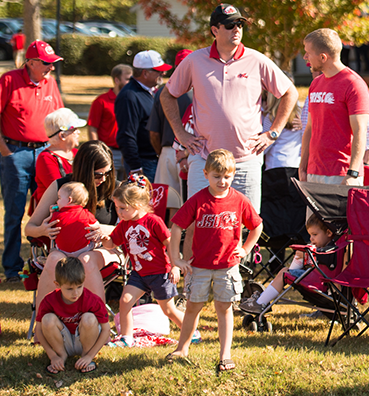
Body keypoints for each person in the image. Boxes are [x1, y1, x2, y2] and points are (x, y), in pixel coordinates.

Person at [163, 4, 297, 210]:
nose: (236, 29)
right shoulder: (194, 60)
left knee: (247, 224)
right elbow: (167, 95)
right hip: (204, 159)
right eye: (229, 25)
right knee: (199, 221)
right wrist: (181, 134)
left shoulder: (257, 60)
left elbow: (290, 93)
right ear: (214, 31)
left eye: (240, 24)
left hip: (246, 159)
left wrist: (273, 133)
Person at [167, 149, 263, 372]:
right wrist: (176, 258)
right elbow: (176, 226)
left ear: (233, 174)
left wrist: (246, 248)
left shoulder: (239, 200)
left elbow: (256, 225)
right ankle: (182, 348)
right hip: (198, 266)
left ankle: (225, 354)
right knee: (192, 307)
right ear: (206, 173)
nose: (222, 181)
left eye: (227, 176)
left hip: (227, 267)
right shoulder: (198, 199)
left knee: (224, 308)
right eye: (216, 176)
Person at [0, 40, 64, 280]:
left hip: (45, 153)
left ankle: (48, 263)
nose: (51, 68)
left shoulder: (50, 83)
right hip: (16, 154)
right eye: (47, 63)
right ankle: (11, 267)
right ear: (30, 62)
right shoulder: (9, 80)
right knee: (14, 212)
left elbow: (60, 118)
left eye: (53, 63)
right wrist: (5, 150)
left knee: (51, 210)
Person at [25, 141, 119, 307]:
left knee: (87, 259)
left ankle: (99, 322)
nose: (103, 179)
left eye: (108, 172)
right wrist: (43, 230)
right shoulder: (62, 188)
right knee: (54, 258)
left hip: (106, 248)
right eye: (98, 175)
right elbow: (29, 228)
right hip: (64, 251)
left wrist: (105, 229)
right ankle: (43, 324)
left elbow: (134, 227)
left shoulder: (115, 189)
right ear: (85, 170)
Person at [102, 180, 185, 347]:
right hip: (139, 274)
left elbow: (169, 243)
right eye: (117, 208)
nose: (119, 212)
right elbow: (112, 244)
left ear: (138, 205)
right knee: (125, 301)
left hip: (160, 273)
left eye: (123, 208)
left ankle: (191, 331)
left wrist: (175, 265)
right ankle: (126, 338)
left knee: (168, 310)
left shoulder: (153, 221)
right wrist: (105, 239)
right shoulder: (124, 225)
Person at [299, 28, 369, 186]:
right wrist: (303, 166)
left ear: (323, 57)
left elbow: (360, 131)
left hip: (342, 174)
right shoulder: (316, 84)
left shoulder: (353, 84)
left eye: (308, 53)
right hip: (314, 172)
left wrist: (352, 173)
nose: (305, 57)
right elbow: (309, 128)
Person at [238, 214, 338, 314]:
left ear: (328, 233)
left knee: (284, 273)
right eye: (310, 235)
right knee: (288, 270)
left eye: (315, 235)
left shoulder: (330, 250)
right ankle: (262, 300)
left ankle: (260, 302)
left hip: (320, 283)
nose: (311, 238)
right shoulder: (336, 245)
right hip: (319, 280)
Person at [36, 257, 110, 375]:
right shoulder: (49, 300)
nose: (75, 293)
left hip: (86, 342)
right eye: (69, 289)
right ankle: (61, 356)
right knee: (47, 319)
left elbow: (106, 330)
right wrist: (53, 356)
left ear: (84, 281)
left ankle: (85, 357)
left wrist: (90, 356)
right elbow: (38, 330)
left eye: (79, 286)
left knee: (89, 318)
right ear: (57, 284)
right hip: (63, 343)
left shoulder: (92, 300)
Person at [116, 50, 171, 183]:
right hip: (144, 162)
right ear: (145, 73)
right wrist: (135, 167)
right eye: (158, 70)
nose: (163, 73)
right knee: (146, 202)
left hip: (154, 160)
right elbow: (126, 135)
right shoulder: (129, 96)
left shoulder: (149, 91)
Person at [149, 50, 193, 209]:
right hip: (193, 153)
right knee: (188, 205)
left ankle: (167, 233)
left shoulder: (162, 92)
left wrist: (162, 153)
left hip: (168, 152)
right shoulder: (202, 90)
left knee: (164, 206)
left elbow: (153, 132)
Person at [32, 108, 85, 215]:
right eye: (74, 129)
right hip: (52, 214)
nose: (78, 132)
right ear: (63, 135)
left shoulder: (77, 153)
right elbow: (59, 190)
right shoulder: (46, 158)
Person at [88, 64, 132, 179]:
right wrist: (98, 152)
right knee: (111, 189)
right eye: (127, 79)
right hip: (109, 152)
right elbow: (92, 128)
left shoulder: (131, 100)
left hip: (129, 152)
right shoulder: (101, 101)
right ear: (116, 80)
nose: (131, 82)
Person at [51, 182, 101, 256]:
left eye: (59, 198)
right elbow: (97, 226)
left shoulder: (57, 215)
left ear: (69, 200)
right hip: (83, 250)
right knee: (97, 239)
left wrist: (51, 213)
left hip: (63, 251)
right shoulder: (86, 214)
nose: (57, 201)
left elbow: (51, 228)